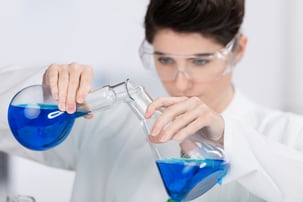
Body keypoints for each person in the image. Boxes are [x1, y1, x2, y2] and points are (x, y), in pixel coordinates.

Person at [1, 0, 303, 201]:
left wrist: (227, 137)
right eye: (165, 59)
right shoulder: (109, 122)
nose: (181, 82)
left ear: (238, 51)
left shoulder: (284, 134)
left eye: (200, 61)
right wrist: (43, 90)